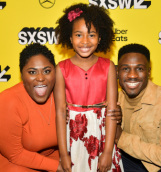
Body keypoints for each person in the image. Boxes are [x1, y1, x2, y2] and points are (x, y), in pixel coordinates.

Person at [54, 3, 124, 172]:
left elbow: (111, 111)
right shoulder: (61, 68)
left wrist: (108, 151)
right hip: (73, 137)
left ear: (100, 38)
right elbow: (60, 112)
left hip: (102, 135)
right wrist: (63, 154)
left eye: (91, 35)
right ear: (70, 38)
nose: (85, 41)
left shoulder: (108, 66)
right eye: (79, 35)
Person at [0, 43, 63, 172]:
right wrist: (57, 167)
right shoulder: (8, 100)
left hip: (52, 157)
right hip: (15, 163)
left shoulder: (62, 95)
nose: (40, 78)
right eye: (32, 72)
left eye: (46, 71)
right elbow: (15, 154)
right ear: (22, 75)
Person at [115, 43, 161, 172]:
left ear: (149, 72)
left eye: (139, 69)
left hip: (157, 168)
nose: (132, 75)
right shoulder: (113, 100)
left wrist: (121, 137)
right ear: (117, 72)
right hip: (125, 160)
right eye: (126, 69)